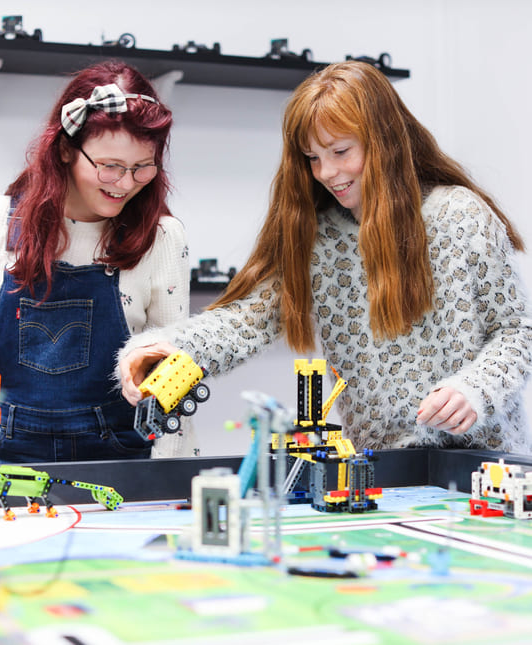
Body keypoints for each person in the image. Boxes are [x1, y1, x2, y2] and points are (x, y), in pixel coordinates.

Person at [119, 60, 532, 454]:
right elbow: (248, 319)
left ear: (384, 141)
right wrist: (168, 347)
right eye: (313, 157)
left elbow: (517, 332)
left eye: (340, 151)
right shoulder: (319, 235)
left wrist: (475, 389)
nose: (327, 172)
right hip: (381, 466)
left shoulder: (459, 214)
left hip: (485, 457)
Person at [0, 60, 196, 464]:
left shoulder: (162, 238)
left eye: (142, 167)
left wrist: (176, 486)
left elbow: (172, 387)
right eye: (110, 166)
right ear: (67, 149)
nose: (125, 184)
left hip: (120, 464)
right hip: (3, 459)